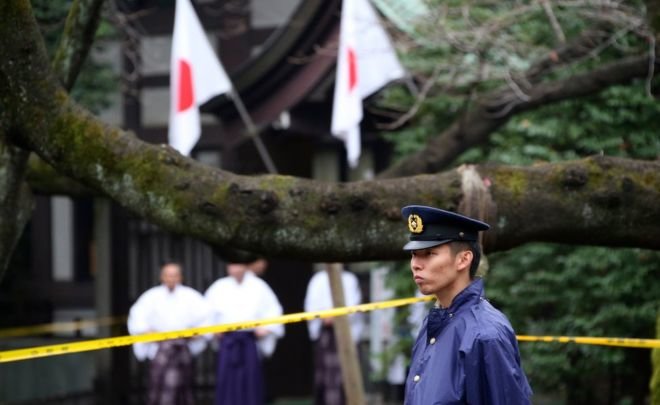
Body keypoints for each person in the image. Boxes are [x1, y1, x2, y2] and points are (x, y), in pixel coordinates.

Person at [401, 205, 533, 405]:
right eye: (414, 254)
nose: (416, 264)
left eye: (428, 253)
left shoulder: (485, 334)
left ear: (463, 259)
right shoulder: (434, 322)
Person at [127, 260, 211, 405]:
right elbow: (137, 320)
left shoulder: (191, 296)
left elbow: (206, 321)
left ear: (180, 277)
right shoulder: (151, 296)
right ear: (162, 277)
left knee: (184, 389)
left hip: (182, 350)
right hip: (160, 350)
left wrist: (193, 335)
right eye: (168, 275)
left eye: (174, 275)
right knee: (158, 388)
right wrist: (149, 333)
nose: (171, 278)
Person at [204, 262, 285, 405]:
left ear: (245, 266)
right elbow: (205, 313)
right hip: (228, 342)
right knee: (226, 379)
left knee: (251, 379)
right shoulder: (219, 287)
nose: (235, 269)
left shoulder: (259, 286)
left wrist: (266, 328)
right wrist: (214, 329)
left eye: (239, 265)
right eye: (232, 265)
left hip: (249, 341)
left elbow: (274, 310)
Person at [304, 266, 364, 405]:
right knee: (324, 378)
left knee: (346, 377)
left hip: (346, 334)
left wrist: (337, 317)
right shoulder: (317, 280)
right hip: (326, 333)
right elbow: (311, 306)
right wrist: (325, 316)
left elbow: (354, 305)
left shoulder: (350, 279)